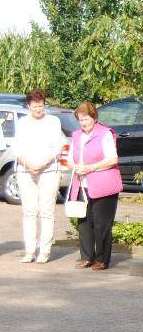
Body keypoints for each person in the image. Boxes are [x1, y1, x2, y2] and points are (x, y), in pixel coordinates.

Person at [67, 101, 123, 270]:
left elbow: (113, 159)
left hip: (103, 185)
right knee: (84, 223)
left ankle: (102, 259)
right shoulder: (76, 135)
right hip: (81, 184)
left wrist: (91, 168)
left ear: (94, 117)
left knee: (101, 224)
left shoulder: (104, 134)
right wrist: (74, 166)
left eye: (86, 119)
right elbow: (69, 158)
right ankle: (86, 256)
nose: (83, 123)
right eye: (80, 120)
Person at [14, 89, 64, 263]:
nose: (38, 108)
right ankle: (29, 251)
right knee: (29, 211)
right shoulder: (22, 123)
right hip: (25, 171)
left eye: (41, 105)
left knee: (46, 211)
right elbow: (17, 147)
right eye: (35, 105)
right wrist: (29, 164)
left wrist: (41, 164)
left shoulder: (53, 121)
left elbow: (57, 147)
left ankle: (44, 251)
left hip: (49, 170)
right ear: (28, 105)